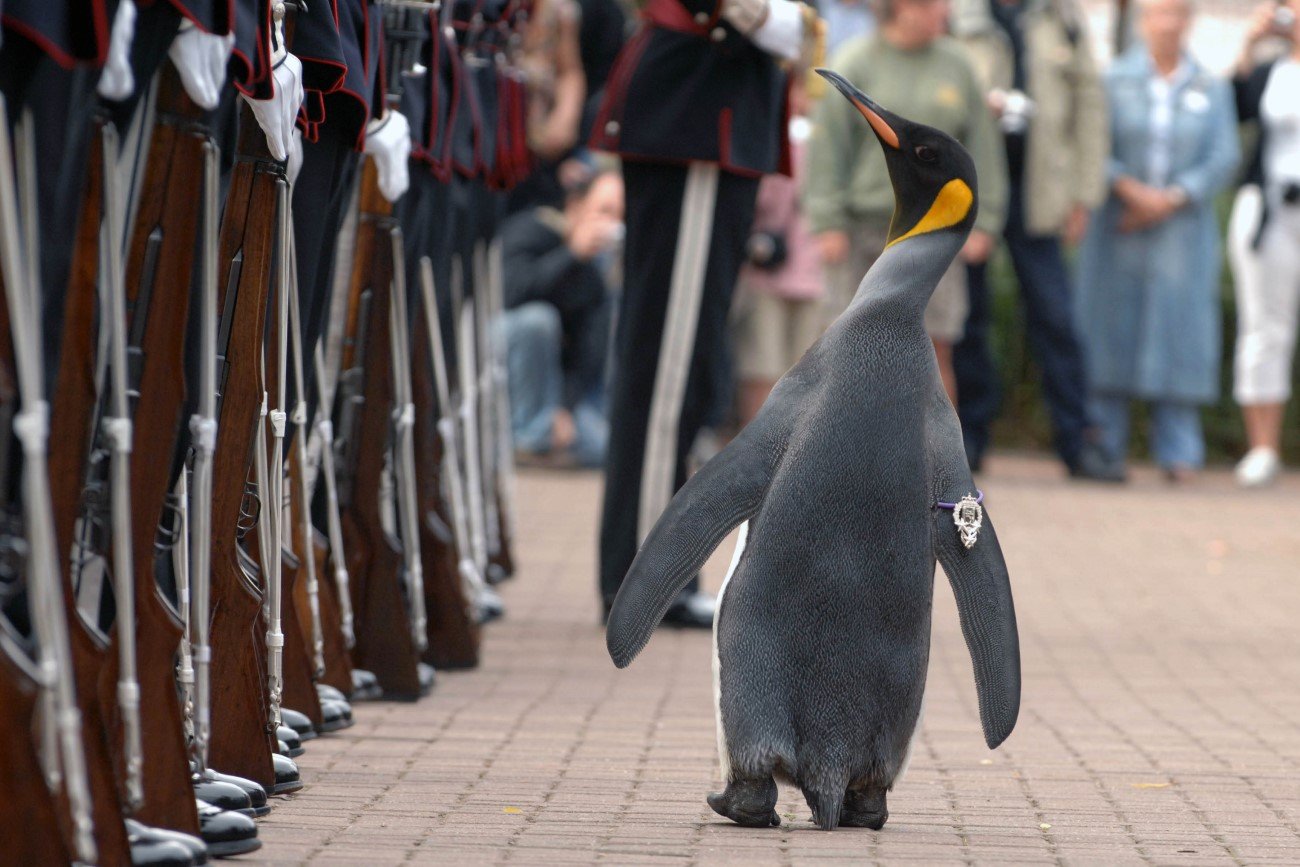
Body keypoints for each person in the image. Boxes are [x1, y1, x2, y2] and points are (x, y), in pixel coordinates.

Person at [589, 0, 820, 626]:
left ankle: (654, 564)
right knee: (667, 366)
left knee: (685, 368)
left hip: (713, 116)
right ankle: (644, 571)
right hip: (697, 116)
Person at [949, 0, 1121, 480]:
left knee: (1056, 317)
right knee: (967, 317)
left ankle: (1078, 440)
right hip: (974, 187)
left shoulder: (1060, 18)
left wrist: (1084, 195)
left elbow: (1090, 106)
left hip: (1041, 191)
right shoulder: (960, 15)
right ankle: (968, 441)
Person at [804, 0, 1007, 404]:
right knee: (845, 347)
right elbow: (828, 148)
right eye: (935, 4)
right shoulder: (858, 60)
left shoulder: (957, 64)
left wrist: (985, 221)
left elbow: (982, 146)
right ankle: (842, 459)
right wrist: (827, 218)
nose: (945, 11)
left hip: (935, 231)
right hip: (865, 229)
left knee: (935, 348)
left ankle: (937, 461)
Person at [1074, 0, 1239, 482]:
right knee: (1110, 326)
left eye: (1178, 14)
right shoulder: (1113, 80)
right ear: (1144, 20)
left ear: (1190, 22)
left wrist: (1170, 198)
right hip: (1118, 222)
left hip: (1182, 228)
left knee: (1180, 330)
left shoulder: (1212, 85)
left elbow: (1223, 155)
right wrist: (1129, 190)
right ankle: (1105, 444)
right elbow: (1093, 144)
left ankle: (1179, 448)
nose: (1169, 23)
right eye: (1160, 13)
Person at [499, 168, 622, 468]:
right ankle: (528, 438)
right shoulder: (531, 229)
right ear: (576, 205)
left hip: (551, 391)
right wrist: (570, 254)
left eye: (619, 216)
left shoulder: (594, 275)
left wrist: (564, 409)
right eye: (603, 211)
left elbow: (586, 356)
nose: (611, 224)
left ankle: (542, 437)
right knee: (538, 321)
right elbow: (510, 294)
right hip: (500, 369)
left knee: (605, 449)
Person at [1228, 0, 1300, 487]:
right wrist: (1250, 44)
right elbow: (1233, 108)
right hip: (1272, 209)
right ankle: (1262, 447)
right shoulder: (1274, 69)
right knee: (1264, 326)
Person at [733, 81, 825, 425]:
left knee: (799, 372)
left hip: (808, 267)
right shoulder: (773, 136)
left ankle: (788, 460)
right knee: (763, 367)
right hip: (772, 272)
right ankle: (762, 458)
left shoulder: (812, 140)